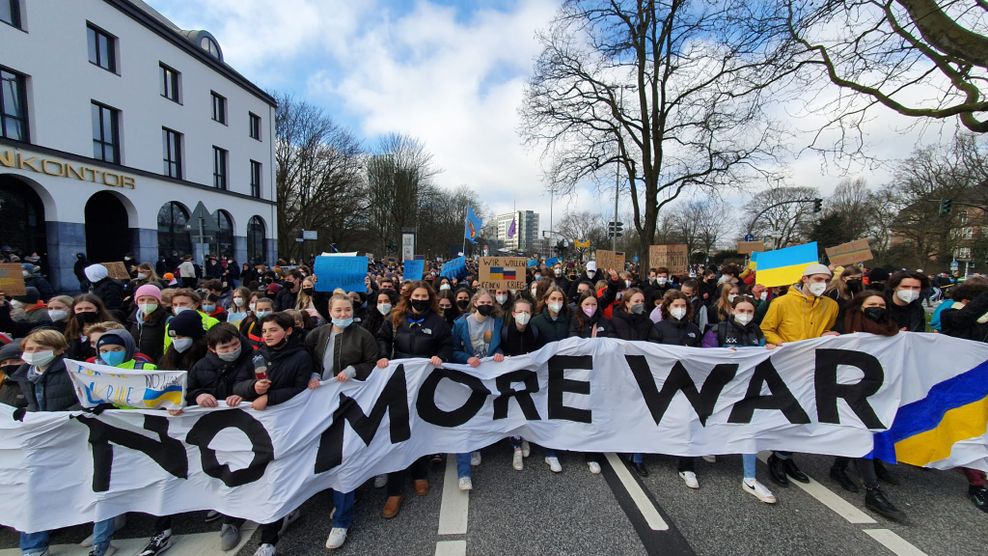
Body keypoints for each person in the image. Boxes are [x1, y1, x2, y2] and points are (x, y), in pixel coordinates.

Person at [10, 329, 118, 556]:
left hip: (80, 437)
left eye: (40, 349)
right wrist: (28, 414)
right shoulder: (24, 375)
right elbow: (35, 404)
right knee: (34, 490)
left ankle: (102, 543)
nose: (33, 353)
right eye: (30, 349)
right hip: (45, 439)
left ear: (59, 350)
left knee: (97, 488)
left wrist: (65, 415)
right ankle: (34, 546)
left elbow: (93, 400)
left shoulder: (76, 371)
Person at [229, 312, 311, 556]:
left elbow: (300, 389)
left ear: (287, 331)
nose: (268, 335)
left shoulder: (301, 356)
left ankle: (268, 541)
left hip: (288, 426)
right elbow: (239, 383)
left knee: (279, 478)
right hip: (257, 428)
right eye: (264, 331)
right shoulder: (256, 356)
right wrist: (251, 389)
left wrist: (270, 397)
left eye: (273, 330)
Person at [824, 291, 907, 521]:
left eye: (881, 304)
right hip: (849, 391)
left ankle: (839, 468)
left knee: (866, 432)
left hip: (878, 391)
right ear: (860, 306)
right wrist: (828, 337)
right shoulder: (845, 327)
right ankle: (873, 491)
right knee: (863, 433)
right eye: (872, 304)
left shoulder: (892, 329)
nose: (878, 307)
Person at [306, 294, 380, 550]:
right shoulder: (316, 335)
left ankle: (341, 520)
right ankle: (337, 498)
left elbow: (373, 364)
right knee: (323, 456)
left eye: (347, 309)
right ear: (329, 311)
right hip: (318, 405)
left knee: (344, 457)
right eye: (338, 310)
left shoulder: (363, 336)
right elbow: (308, 361)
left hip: (351, 403)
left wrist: (354, 371)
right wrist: (313, 374)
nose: (343, 314)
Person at [376, 281, 453, 518]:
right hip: (399, 381)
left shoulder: (438, 322)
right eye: (415, 295)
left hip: (424, 382)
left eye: (423, 296)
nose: (419, 299)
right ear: (409, 297)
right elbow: (382, 339)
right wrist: (381, 357)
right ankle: (395, 490)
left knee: (419, 428)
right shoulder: (395, 318)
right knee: (398, 433)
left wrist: (440, 356)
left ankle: (420, 473)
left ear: (428, 299)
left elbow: (446, 345)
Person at [759, 263, 839, 487]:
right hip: (787, 365)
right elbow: (767, 328)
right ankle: (779, 456)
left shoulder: (831, 306)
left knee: (807, 413)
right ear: (805, 279)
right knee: (789, 412)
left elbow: (828, 328)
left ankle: (786, 457)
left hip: (814, 365)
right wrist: (781, 344)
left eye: (826, 280)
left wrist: (827, 334)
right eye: (818, 279)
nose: (821, 284)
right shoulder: (781, 302)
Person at [701, 296, 777, 503]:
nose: (746, 314)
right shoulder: (717, 330)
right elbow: (704, 355)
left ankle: (750, 478)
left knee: (748, 428)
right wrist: (722, 353)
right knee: (717, 419)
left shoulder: (757, 332)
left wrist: (769, 349)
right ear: (732, 310)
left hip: (749, 388)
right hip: (723, 387)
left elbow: (763, 356)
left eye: (750, 311)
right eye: (741, 310)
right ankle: (711, 446)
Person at [938, 281, 988, 512]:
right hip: (960, 387)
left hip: (981, 385)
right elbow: (963, 319)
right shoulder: (951, 315)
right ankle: (977, 483)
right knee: (968, 434)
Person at [450, 289, 506, 490]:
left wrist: (499, 353)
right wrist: (466, 358)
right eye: (482, 301)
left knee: (486, 414)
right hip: (469, 376)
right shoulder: (460, 324)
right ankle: (464, 472)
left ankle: (479, 445)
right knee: (466, 418)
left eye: (489, 302)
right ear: (474, 303)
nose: (486, 305)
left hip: (489, 375)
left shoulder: (497, 323)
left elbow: (500, 345)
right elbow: (453, 350)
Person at [651, 291, 704, 488]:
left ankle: (686, 465)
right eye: (676, 306)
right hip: (664, 382)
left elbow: (702, 353)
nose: (680, 309)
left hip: (688, 383)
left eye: (683, 306)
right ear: (667, 308)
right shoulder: (658, 329)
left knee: (689, 422)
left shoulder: (693, 330)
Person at [568, 291, 615, 475]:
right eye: (587, 304)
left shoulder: (604, 322)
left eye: (594, 305)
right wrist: (591, 343)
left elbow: (613, 344)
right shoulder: (575, 321)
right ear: (580, 305)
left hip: (601, 373)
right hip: (580, 372)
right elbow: (572, 343)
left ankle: (592, 454)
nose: (590, 308)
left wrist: (599, 343)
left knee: (597, 413)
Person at [530, 286, 572, 472]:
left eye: (560, 299)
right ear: (546, 300)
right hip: (543, 371)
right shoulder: (537, 322)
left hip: (563, 370)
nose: (557, 302)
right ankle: (549, 451)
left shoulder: (568, 320)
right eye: (553, 298)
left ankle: (557, 446)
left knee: (559, 410)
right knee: (545, 409)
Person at [500, 298, 538, 470]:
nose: (523, 315)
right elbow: (499, 350)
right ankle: (516, 446)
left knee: (527, 410)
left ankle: (525, 438)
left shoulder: (535, 332)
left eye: (527, 312)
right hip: (510, 378)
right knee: (513, 411)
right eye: (520, 311)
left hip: (529, 378)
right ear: (513, 314)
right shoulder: (505, 332)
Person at [65, 294, 115, 361]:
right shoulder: (72, 328)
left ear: (97, 309)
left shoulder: (109, 328)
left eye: (88, 308)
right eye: (79, 309)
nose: (83, 311)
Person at [126, 284, 168, 363]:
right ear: (136, 301)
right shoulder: (132, 320)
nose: (146, 303)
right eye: (142, 300)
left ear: (158, 301)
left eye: (151, 299)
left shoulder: (166, 320)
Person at [0, 340, 27, 407]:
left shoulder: (34, 384)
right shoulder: (4, 383)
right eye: (4, 363)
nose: (9, 365)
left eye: (16, 361)